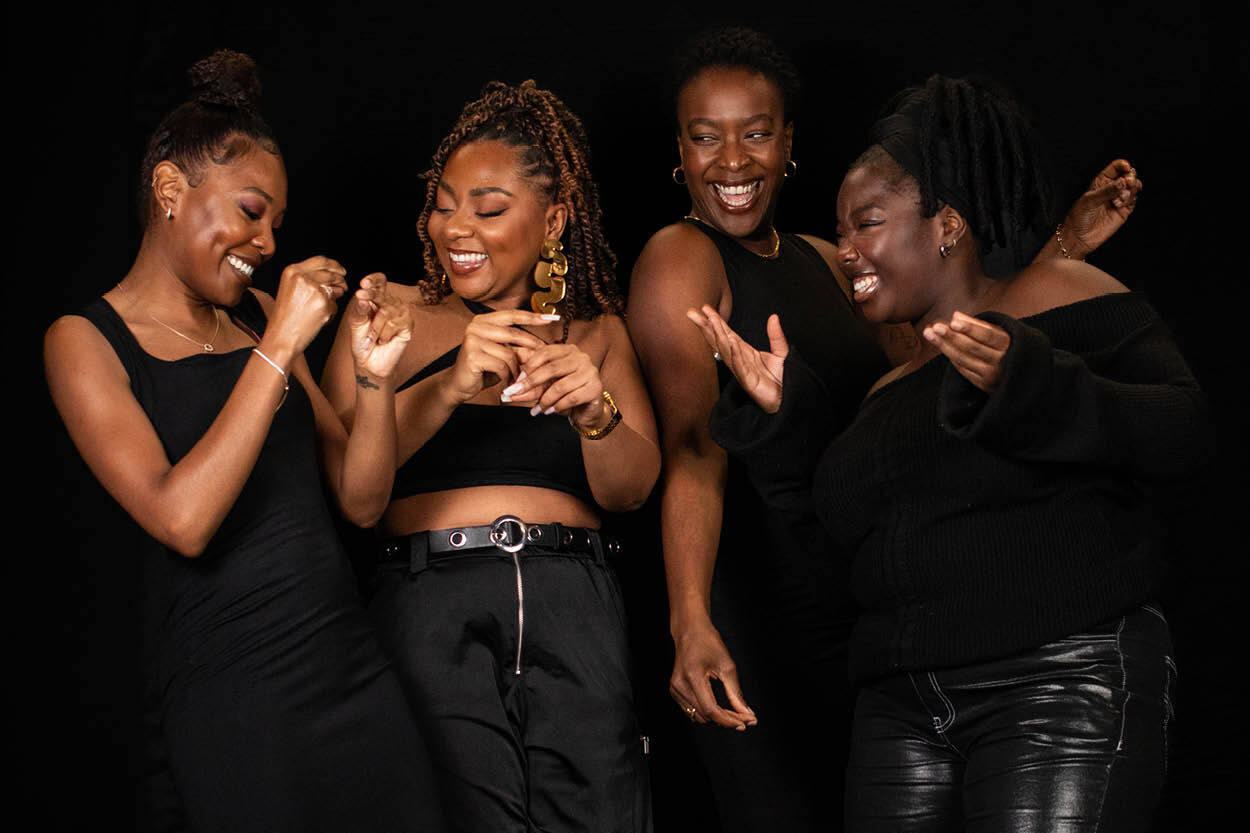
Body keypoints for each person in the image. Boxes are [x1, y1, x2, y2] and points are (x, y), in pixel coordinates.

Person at [627, 26, 1143, 832]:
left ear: (788, 142)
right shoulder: (677, 256)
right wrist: (691, 621)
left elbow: (941, 358)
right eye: (706, 137)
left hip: (858, 606)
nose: (733, 162)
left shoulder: (827, 259)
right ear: (679, 152)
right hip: (755, 616)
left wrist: (1059, 253)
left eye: (756, 133)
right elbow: (694, 451)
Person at [43, 51, 444, 832]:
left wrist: (374, 380)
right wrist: (279, 345)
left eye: (277, 225)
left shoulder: (261, 313)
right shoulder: (85, 341)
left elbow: (362, 502)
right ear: (169, 190)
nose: (265, 241)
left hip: (354, 676)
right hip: (237, 702)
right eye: (252, 211)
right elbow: (182, 519)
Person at [322, 79, 660, 833]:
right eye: (444, 205)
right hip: (429, 599)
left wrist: (593, 409)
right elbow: (355, 496)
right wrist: (447, 383)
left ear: (553, 222)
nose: (456, 228)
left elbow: (633, 491)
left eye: (489, 208)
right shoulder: (388, 312)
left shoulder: (595, 329)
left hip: (575, 596)